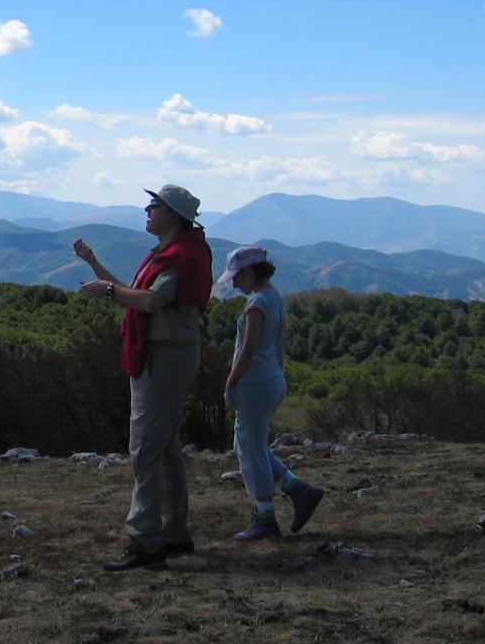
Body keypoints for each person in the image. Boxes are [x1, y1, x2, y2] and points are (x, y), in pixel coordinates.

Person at [74, 183, 212, 570]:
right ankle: (173, 531)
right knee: (165, 446)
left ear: (172, 214)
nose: (147, 210)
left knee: (145, 448)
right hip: (170, 353)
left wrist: (106, 292)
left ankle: (146, 541)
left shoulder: (177, 257)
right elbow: (132, 292)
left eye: (154, 206)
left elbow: (151, 301)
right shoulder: (178, 252)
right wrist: (94, 266)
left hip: (164, 356)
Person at [219, 244, 324, 541]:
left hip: (255, 383)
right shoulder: (274, 297)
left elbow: (248, 348)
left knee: (250, 449)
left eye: (237, 278)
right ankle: (298, 489)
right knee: (248, 446)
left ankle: (265, 519)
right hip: (273, 379)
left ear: (250, 272)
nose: (235, 284)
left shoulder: (256, 305)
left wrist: (231, 381)